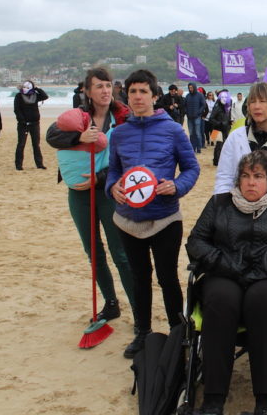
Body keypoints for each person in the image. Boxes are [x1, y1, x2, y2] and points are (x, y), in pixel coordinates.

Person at [186, 150, 267, 415]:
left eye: (258, 176)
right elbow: (196, 241)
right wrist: (223, 262)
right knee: (221, 301)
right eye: (245, 176)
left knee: (261, 301)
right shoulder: (219, 204)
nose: (250, 182)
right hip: (225, 273)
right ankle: (213, 398)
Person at [106, 69, 201, 358]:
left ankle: (176, 331)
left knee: (167, 276)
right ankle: (142, 333)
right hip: (128, 220)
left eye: (143, 91)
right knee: (139, 277)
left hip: (165, 219)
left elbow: (191, 168)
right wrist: (113, 188)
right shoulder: (119, 133)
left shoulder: (172, 129)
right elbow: (113, 172)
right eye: (132, 91)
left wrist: (176, 186)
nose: (137, 97)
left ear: (154, 96)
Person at [46, 67, 135, 325]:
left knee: (120, 253)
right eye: (99, 86)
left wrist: (101, 178)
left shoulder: (123, 118)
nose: (105, 91)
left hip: (110, 192)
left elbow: (128, 159)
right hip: (80, 196)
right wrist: (78, 137)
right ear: (87, 91)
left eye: (108, 85)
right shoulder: (78, 116)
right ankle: (110, 303)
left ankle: (138, 309)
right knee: (93, 252)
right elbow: (52, 136)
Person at [13, 80, 49, 170]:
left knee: (36, 144)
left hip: (35, 124)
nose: (25, 89)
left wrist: (37, 88)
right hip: (23, 125)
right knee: (21, 144)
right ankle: (18, 165)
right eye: (24, 87)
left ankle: (39, 164)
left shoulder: (36, 95)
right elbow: (17, 109)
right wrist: (22, 121)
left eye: (28, 87)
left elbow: (45, 96)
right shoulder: (18, 96)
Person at [210, 90, 233, 166]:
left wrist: (230, 121)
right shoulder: (217, 106)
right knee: (219, 145)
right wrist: (220, 123)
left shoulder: (227, 106)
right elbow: (211, 118)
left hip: (226, 128)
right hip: (217, 128)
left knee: (225, 145)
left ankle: (221, 160)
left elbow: (228, 116)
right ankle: (216, 161)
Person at [185, 82, 206, 154]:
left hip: (197, 117)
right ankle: (192, 148)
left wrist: (198, 113)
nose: (190, 89)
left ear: (194, 87)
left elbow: (203, 105)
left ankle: (199, 148)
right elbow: (185, 106)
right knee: (191, 133)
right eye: (189, 88)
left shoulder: (200, 95)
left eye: (191, 87)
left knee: (197, 133)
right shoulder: (187, 96)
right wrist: (186, 112)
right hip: (189, 117)